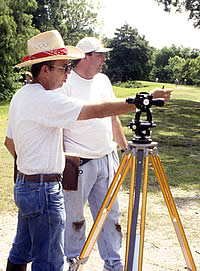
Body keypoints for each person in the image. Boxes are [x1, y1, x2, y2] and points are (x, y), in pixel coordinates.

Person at [4, 30, 171, 271]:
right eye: (63, 68)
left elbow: (10, 142)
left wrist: (29, 172)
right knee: (49, 261)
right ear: (45, 70)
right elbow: (96, 111)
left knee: (22, 250)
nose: (67, 73)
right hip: (43, 190)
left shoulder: (21, 96)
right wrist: (140, 100)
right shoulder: (46, 100)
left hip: (26, 186)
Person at [60, 37, 172, 271]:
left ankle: (113, 263)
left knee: (111, 215)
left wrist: (123, 147)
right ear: (84, 57)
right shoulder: (66, 82)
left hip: (106, 158)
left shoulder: (103, 80)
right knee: (74, 219)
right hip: (78, 162)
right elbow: (59, 125)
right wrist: (63, 160)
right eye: (99, 55)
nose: (104, 59)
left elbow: (112, 116)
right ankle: (74, 262)